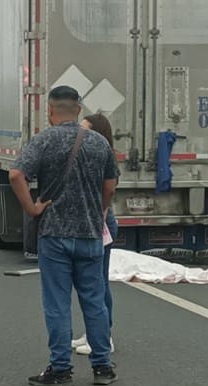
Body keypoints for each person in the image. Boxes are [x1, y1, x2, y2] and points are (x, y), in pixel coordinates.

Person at [9, 86, 119, 386]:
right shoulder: (99, 143)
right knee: (94, 302)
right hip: (89, 234)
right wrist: (100, 210)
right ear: (79, 109)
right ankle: (102, 367)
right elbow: (110, 184)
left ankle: (60, 370)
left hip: (54, 234)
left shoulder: (44, 140)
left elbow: (16, 174)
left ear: (50, 111)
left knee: (57, 303)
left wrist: (32, 208)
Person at [73, 113, 119, 355]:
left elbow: (108, 191)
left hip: (101, 223)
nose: (81, 135)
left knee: (98, 283)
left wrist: (99, 214)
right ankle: (92, 332)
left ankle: (104, 336)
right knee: (90, 282)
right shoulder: (91, 155)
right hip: (95, 221)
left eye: (85, 130)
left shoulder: (103, 157)